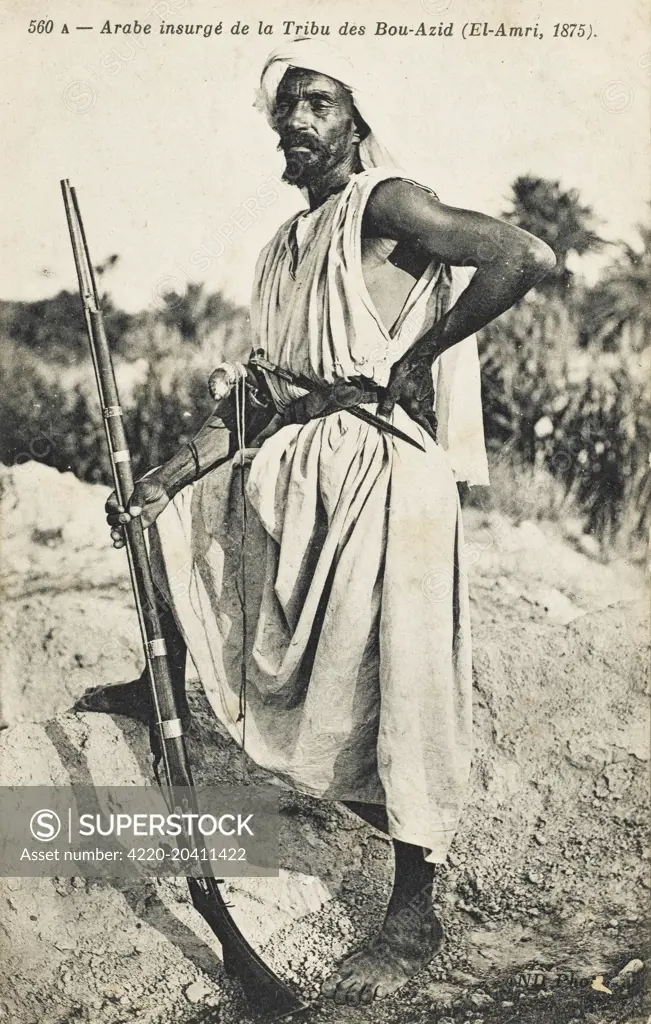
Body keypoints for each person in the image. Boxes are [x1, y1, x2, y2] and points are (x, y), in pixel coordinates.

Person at [75, 38, 555, 1006]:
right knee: (180, 508)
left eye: (318, 103)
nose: (297, 121)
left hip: (385, 473)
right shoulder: (284, 248)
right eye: (286, 108)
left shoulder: (385, 203)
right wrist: (161, 478)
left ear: (354, 121)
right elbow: (262, 400)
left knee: (405, 676)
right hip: (310, 462)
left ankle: (413, 911)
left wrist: (423, 351)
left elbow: (522, 252)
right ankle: (160, 671)